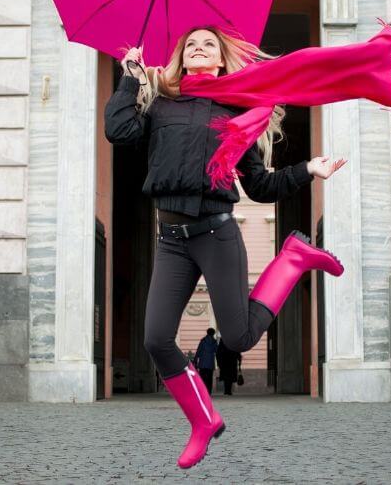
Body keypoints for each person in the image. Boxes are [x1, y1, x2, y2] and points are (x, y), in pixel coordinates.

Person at [104, 26, 346, 469]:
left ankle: (293, 259)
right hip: (171, 240)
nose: (198, 49)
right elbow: (118, 132)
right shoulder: (160, 103)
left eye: (207, 45)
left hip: (216, 234)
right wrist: (130, 78)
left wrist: (308, 169)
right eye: (190, 45)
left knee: (239, 336)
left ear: (219, 60)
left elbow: (261, 185)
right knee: (157, 339)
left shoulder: (235, 108)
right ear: (181, 57)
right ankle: (203, 420)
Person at [195, 328, 218, 392]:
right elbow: (216, 351)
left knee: (202, 378)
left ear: (207, 332)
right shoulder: (214, 342)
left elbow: (198, 351)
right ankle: (208, 391)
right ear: (213, 333)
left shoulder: (203, 341)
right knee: (209, 378)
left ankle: (202, 391)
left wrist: (196, 359)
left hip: (202, 363)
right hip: (210, 363)